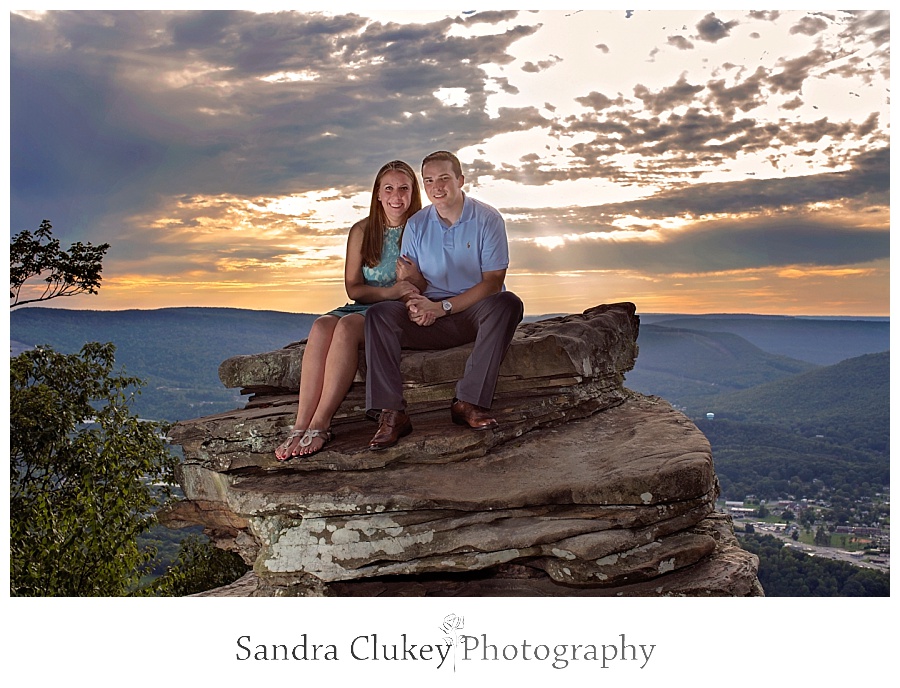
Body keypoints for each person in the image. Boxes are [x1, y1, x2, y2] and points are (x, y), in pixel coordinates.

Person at [364, 150, 524, 450]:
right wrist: (415, 305)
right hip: (430, 317)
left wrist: (441, 308)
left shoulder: (487, 219)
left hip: (473, 313)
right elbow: (408, 279)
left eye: (444, 178)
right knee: (379, 315)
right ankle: (392, 413)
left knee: (508, 303)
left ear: (461, 180)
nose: (437, 187)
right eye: (429, 180)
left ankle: (468, 403)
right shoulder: (417, 224)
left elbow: (492, 283)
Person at [275, 160, 423, 460]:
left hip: (394, 313)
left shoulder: (422, 228)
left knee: (345, 328)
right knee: (321, 325)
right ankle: (301, 424)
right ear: (378, 194)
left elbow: (428, 282)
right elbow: (353, 288)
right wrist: (390, 290)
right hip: (365, 304)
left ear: (413, 192)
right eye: (389, 188)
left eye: (404, 188)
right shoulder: (362, 230)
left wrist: (408, 285)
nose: (397, 196)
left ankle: (321, 423)